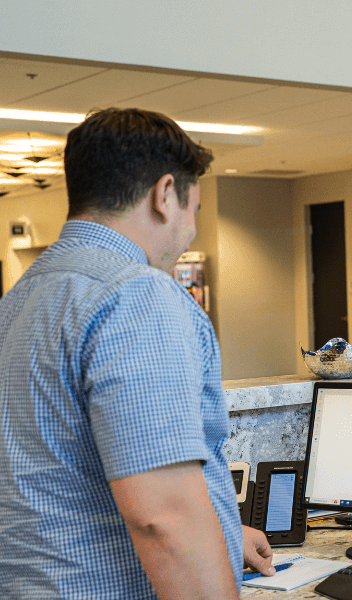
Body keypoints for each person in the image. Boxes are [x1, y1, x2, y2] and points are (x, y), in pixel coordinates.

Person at [0, 108, 274, 599]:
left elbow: (56, 478)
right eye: (193, 211)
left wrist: (222, 537)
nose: (190, 232)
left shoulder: (19, 299)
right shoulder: (136, 294)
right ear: (165, 195)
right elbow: (163, 518)